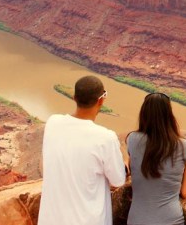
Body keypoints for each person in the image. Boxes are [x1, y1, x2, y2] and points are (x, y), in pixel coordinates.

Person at [38, 75, 127, 225]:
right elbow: (118, 180)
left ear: (74, 97)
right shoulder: (105, 138)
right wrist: (124, 161)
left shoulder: (53, 123)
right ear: (101, 100)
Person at [126, 92, 186, 225]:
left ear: (144, 113)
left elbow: (131, 168)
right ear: (169, 115)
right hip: (171, 220)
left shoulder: (132, 139)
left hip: (137, 220)